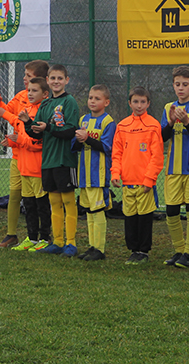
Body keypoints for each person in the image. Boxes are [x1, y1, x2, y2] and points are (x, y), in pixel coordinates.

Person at [0, 59, 50, 249]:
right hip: (20, 157)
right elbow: (9, 113)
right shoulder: (20, 96)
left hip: (34, 161)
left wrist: (16, 134)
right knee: (17, 196)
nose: (25, 79)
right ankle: (14, 235)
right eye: (25, 75)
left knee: (39, 201)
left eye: (29, 76)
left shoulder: (43, 107)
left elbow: (27, 130)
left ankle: (44, 237)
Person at [27, 64, 81, 257]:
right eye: (53, 78)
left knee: (68, 200)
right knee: (54, 201)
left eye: (60, 78)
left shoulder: (69, 102)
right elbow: (36, 132)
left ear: (66, 80)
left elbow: (70, 131)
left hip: (65, 160)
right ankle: (57, 241)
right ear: (47, 81)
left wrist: (48, 128)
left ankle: (71, 243)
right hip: (48, 160)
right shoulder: (45, 104)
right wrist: (27, 122)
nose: (56, 81)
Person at [160, 66, 189, 269]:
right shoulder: (168, 107)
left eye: (185, 85)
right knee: (171, 210)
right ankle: (178, 250)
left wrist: (187, 122)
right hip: (173, 167)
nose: (181, 88)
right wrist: (171, 122)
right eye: (177, 84)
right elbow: (162, 138)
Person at [111, 87, 163, 265]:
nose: (139, 105)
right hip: (128, 182)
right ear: (129, 103)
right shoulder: (122, 126)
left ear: (148, 103)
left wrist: (149, 179)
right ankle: (133, 250)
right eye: (135, 101)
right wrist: (115, 173)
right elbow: (117, 153)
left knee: (144, 218)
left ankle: (143, 251)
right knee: (130, 218)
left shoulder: (153, 125)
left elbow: (156, 157)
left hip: (144, 184)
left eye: (142, 102)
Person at [74, 84, 116, 262]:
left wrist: (87, 139)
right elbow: (76, 146)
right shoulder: (83, 120)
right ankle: (92, 246)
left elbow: (107, 147)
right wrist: (78, 139)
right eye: (90, 97)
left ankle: (100, 249)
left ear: (106, 102)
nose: (92, 101)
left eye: (97, 98)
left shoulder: (108, 122)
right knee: (89, 211)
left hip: (98, 175)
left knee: (98, 210)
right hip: (84, 175)